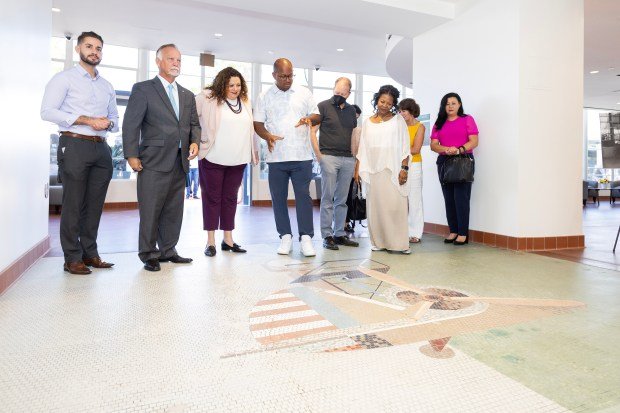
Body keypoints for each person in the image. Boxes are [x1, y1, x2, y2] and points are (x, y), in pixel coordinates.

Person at [41, 31, 118, 275]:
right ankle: (71, 258)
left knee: (94, 205)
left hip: (102, 148)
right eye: (89, 46)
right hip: (73, 145)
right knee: (73, 204)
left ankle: (90, 254)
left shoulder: (107, 86)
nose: (94, 51)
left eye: (98, 47)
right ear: (78, 49)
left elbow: (116, 118)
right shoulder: (64, 79)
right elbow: (47, 111)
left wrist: (109, 124)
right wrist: (85, 119)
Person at [122, 44, 201, 272]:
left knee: (173, 210)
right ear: (158, 62)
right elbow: (131, 124)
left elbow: (194, 124)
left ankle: (168, 250)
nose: (176, 63)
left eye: (178, 60)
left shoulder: (187, 94)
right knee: (150, 210)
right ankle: (148, 253)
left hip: (180, 161)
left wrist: (194, 141)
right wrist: (131, 154)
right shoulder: (143, 89)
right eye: (171, 59)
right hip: (152, 160)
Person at [253, 58, 320, 257]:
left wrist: (310, 119)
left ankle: (306, 238)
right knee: (278, 199)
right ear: (274, 75)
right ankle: (285, 237)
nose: (287, 79)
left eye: (290, 75)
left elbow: (317, 115)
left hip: (301, 156)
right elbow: (258, 124)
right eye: (282, 76)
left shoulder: (304, 92)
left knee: (303, 198)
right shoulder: (264, 95)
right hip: (276, 158)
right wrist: (267, 136)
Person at [196, 67, 257, 257]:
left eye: (238, 85)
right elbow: (191, 119)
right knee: (212, 198)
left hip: (238, 159)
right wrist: (196, 141)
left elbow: (250, 128)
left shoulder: (245, 101)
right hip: (213, 157)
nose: (235, 88)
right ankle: (210, 241)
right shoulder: (207, 97)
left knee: (230, 199)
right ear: (222, 83)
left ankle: (228, 239)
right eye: (231, 85)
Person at [355, 85, 410, 254]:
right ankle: (378, 242)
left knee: (395, 207)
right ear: (377, 100)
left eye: (389, 103)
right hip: (372, 171)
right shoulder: (367, 122)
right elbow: (362, 149)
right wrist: (358, 170)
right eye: (382, 101)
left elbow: (405, 146)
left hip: (392, 169)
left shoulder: (398, 120)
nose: (384, 105)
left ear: (393, 104)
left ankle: (399, 244)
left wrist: (404, 168)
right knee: (376, 208)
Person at [316, 77, 360, 251]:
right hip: (329, 157)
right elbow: (313, 131)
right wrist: (319, 155)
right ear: (333, 89)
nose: (339, 96)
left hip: (348, 158)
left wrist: (356, 160)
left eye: (343, 93)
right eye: (336, 92)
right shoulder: (323, 106)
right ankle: (327, 235)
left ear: (349, 93)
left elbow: (354, 136)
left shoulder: (351, 111)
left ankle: (339, 233)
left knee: (342, 200)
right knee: (327, 198)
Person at [430, 92, 479, 246]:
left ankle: (463, 233)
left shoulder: (467, 119)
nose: (450, 106)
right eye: (447, 103)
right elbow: (433, 145)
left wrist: (459, 149)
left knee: (461, 198)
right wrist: (447, 149)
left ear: (459, 105)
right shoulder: (439, 123)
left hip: (463, 160)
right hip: (444, 161)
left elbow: (474, 141)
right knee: (448, 198)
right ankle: (453, 231)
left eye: (453, 103)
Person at [398, 98, 425, 244]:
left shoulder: (420, 127)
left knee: (414, 200)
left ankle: (415, 233)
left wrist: (400, 151)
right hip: (399, 165)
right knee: (400, 199)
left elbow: (415, 149)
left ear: (411, 111)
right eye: (399, 111)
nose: (401, 114)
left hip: (414, 165)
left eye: (404, 111)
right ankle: (402, 232)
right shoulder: (398, 127)